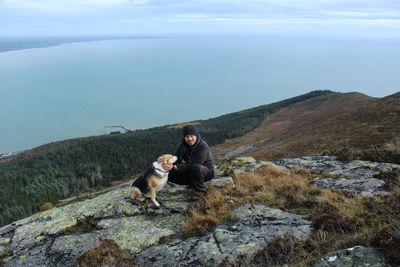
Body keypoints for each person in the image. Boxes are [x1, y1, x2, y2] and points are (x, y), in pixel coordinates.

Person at [159, 124, 215, 193]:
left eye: (192, 136)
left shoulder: (202, 146)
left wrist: (175, 167)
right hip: (190, 172)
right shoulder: (182, 145)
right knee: (167, 172)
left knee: (195, 167)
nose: (190, 139)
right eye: (187, 136)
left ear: (196, 135)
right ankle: (151, 190)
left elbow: (194, 164)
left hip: (205, 173)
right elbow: (176, 158)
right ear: (184, 137)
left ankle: (200, 191)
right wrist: (165, 161)